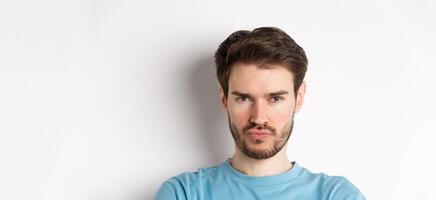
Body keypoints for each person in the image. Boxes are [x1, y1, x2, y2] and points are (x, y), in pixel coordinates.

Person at [155, 27, 366, 200]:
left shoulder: (337, 196)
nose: (259, 117)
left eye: (275, 98)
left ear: (298, 98)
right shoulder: (183, 194)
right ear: (224, 98)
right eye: (244, 98)